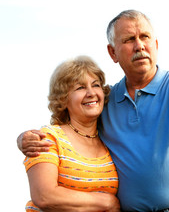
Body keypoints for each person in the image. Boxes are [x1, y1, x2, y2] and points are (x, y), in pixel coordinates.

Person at [19, 9, 169, 211]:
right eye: (129, 40)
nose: (139, 45)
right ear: (113, 52)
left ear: (156, 44)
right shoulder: (107, 102)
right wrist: (22, 139)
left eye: (145, 37)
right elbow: (72, 125)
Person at [23, 56, 121, 211]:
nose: (90, 93)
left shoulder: (109, 140)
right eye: (80, 88)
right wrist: (107, 202)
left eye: (95, 85)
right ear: (63, 99)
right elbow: (44, 196)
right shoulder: (48, 138)